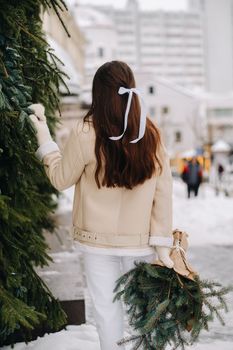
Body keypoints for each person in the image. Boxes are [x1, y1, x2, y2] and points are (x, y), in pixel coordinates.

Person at [29, 61, 174, 350]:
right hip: (141, 242)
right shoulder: (151, 134)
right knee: (144, 316)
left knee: (107, 313)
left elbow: (60, 178)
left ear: (98, 93)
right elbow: (163, 192)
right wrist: (162, 244)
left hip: (96, 242)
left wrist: (43, 135)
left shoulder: (86, 132)